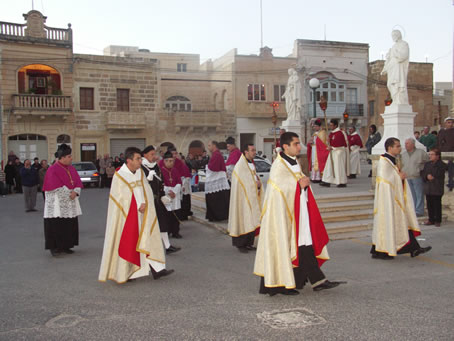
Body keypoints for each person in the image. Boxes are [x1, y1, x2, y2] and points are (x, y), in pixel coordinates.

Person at [254, 132, 340, 296]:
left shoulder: (294, 162)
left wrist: (302, 186)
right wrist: (299, 185)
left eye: (299, 143)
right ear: (285, 146)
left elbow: (297, 183)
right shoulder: (279, 166)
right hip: (284, 216)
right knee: (293, 246)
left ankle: (316, 280)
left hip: (299, 212)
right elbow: (281, 189)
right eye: (295, 144)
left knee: (304, 245)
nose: (299, 146)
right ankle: (280, 285)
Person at [99, 147, 172, 283]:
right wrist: (138, 205)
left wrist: (145, 203)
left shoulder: (140, 173)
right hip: (127, 216)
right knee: (130, 241)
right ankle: (126, 272)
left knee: (149, 237)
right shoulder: (119, 176)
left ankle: (157, 268)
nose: (140, 161)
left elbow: (146, 190)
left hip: (143, 213)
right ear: (129, 160)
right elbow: (119, 198)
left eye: (140, 158)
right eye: (138, 159)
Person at [371, 138, 431, 260]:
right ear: (389, 148)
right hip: (389, 201)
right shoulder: (384, 162)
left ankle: (414, 248)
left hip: (395, 198)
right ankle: (383, 251)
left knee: (402, 222)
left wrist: (399, 177)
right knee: (392, 223)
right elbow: (385, 182)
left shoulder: (393, 160)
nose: (400, 148)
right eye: (397, 146)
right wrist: (399, 177)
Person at [43, 144, 83, 256]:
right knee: (56, 225)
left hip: (71, 201)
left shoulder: (72, 168)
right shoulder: (52, 169)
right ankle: (54, 247)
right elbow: (54, 186)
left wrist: (76, 191)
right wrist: (70, 193)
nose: (71, 158)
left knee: (69, 224)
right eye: (69, 156)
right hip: (57, 202)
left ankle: (66, 245)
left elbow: (78, 182)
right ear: (63, 157)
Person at [141, 145, 181, 254]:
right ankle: (144, 248)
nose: (154, 156)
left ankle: (167, 246)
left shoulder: (156, 166)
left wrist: (163, 195)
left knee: (163, 223)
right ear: (144, 155)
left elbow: (161, 182)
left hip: (158, 200)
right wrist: (147, 179)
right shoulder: (141, 168)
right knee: (148, 225)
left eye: (154, 154)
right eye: (151, 154)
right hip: (147, 200)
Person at [228, 144, 263, 253]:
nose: (254, 152)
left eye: (255, 150)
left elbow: (253, 178)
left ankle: (249, 243)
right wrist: (255, 184)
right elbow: (242, 183)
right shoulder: (240, 166)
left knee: (251, 220)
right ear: (246, 152)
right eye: (252, 150)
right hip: (242, 199)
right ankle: (241, 245)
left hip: (251, 197)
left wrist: (258, 184)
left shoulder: (250, 164)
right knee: (244, 220)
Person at [381, 29, 409, 106]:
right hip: (392, 67)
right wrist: (385, 68)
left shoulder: (404, 44)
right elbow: (389, 59)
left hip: (399, 67)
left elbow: (404, 56)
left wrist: (396, 53)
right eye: (392, 36)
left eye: (394, 35)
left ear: (399, 35)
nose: (393, 37)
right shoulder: (393, 46)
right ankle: (395, 100)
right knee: (389, 84)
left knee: (398, 84)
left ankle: (400, 101)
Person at [401, 138, 428, 216]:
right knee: (412, 195)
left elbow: (427, 162)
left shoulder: (421, 153)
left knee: (419, 194)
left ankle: (419, 211)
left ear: (413, 144)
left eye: (407, 143)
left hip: (417, 176)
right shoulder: (404, 154)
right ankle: (413, 209)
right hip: (407, 177)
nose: (406, 145)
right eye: (405, 143)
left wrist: (422, 170)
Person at [159, 151, 183, 239]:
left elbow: (179, 182)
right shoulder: (161, 171)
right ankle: (167, 231)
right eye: (168, 161)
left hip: (175, 196)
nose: (170, 163)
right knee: (167, 215)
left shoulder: (175, 170)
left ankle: (176, 231)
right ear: (164, 161)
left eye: (172, 161)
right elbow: (161, 184)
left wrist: (175, 192)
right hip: (167, 195)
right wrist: (169, 192)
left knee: (176, 214)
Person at [421, 148, 448, 227]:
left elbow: (440, 174)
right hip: (428, 187)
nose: (430, 156)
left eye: (432, 154)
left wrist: (433, 177)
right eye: (430, 154)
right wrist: (426, 176)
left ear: (437, 156)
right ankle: (431, 219)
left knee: (437, 204)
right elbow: (423, 173)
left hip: (436, 187)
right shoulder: (427, 164)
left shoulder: (441, 165)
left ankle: (437, 220)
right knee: (429, 205)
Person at [205, 141, 230, 222]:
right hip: (218, 179)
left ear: (214, 146)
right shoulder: (216, 154)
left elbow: (213, 168)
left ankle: (217, 216)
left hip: (217, 179)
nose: (208, 147)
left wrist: (207, 167)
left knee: (216, 200)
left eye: (209, 145)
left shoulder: (216, 154)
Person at [320, 119, 349, 187]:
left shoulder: (339, 133)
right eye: (330, 125)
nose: (330, 127)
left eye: (331, 125)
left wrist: (333, 148)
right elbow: (331, 143)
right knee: (329, 167)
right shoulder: (332, 133)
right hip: (333, 152)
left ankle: (341, 182)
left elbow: (342, 145)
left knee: (338, 168)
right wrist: (328, 142)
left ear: (335, 125)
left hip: (338, 153)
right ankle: (327, 181)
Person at [167, 147, 193, 221]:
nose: (174, 155)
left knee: (183, 199)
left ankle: (183, 214)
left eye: (176, 153)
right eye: (173, 154)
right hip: (172, 184)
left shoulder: (179, 162)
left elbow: (184, 172)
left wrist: (183, 184)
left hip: (182, 182)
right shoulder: (167, 162)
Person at [437, 117, 454, 191]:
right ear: (445, 123)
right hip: (443, 153)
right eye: (449, 122)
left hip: (452, 153)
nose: (451, 124)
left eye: (452, 122)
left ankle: (451, 184)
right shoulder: (442, 131)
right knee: (442, 169)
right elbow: (439, 142)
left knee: (451, 169)